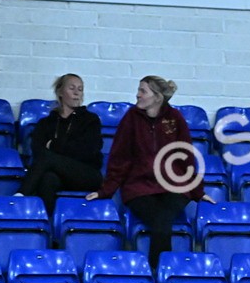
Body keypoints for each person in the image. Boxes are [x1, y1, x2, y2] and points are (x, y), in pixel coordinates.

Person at [86, 76, 213, 269]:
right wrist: (106, 190)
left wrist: (198, 192)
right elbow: (119, 158)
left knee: (163, 219)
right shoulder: (131, 118)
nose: (137, 94)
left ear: (157, 97)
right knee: (161, 220)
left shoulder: (175, 118)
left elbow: (186, 158)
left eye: (143, 91)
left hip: (174, 186)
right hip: (139, 188)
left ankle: (159, 273)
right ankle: (163, 273)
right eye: (139, 90)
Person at [18, 73, 104, 216]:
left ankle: (20, 197)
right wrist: (68, 150)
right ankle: (49, 229)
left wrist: (54, 147)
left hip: (87, 174)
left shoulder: (91, 120)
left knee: (48, 157)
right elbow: (38, 151)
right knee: (48, 179)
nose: (77, 93)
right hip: (59, 175)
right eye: (72, 88)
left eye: (80, 89)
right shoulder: (46, 123)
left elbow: (88, 151)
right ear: (60, 92)